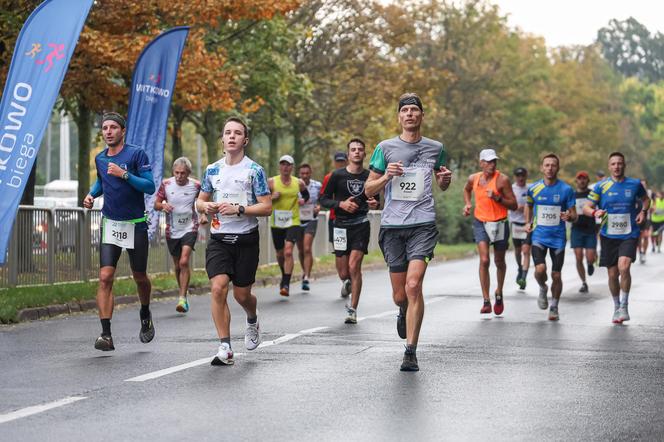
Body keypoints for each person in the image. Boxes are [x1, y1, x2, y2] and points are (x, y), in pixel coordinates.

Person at [365, 92, 452, 371]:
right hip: (392, 226)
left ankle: (411, 351)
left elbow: (443, 182)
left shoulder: (436, 148)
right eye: (405, 111)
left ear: (422, 116)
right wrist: (386, 176)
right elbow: (368, 189)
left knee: (414, 286)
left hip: (422, 225)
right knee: (400, 294)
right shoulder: (385, 148)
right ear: (399, 117)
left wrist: (445, 180)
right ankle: (402, 310)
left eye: (415, 110)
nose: (410, 114)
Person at [196, 117, 272, 365]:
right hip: (219, 240)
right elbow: (200, 200)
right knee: (218, 288)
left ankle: (252, 317)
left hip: (246, 240)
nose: (231, 137)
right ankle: (225, 346)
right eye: (227, 132)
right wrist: (205, 205)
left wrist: (240, 209)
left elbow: (267, 207)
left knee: (242, 296)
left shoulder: (254, 171)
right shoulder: (212, 170)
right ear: (222, 138)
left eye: (237, 133)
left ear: (245, 140)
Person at [82, 112, 156, 351]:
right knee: (105, 277)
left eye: (114, 127)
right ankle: (106, 334)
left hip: (135, 224)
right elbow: (103, 182)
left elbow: (149, 186)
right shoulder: (100, 159)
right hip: (110, 224)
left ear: (122, 131)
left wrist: (124, 174)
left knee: (140, 278)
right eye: (105, 128)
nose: (109, 131)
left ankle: (145, 312)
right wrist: (92, 194)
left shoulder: (136, 154)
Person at [583, 152, 649, 324]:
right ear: (609, 166)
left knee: (624, 267)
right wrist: (595, 212)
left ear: (624, 165)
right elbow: (586, 207)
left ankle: (625, 306)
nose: (617, 166)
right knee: (612, 274)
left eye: (620, 163)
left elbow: (646, 199)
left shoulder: (634, 184)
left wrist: (643, 211)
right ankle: (616, 306)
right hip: (608, 235)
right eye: (613, 164)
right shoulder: (600, 186)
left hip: (629, 233)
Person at [319, 138, 379, 324]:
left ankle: (352, 309)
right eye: (353, 149)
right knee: (343, 272)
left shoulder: (370, 176)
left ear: (364, 153)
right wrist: (341, 204)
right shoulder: (337, 176)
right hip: (340, 226)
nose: (357, 152)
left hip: (360, 224)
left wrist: (375, 203)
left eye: (360, 149)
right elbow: (323, 200)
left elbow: (377, 200)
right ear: (348, 154)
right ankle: (346, 282)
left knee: (354, 266)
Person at [463, 148, 517, 316]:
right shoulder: (474, 178)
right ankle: (486, 300)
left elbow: (514, 205)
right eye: (488, 161)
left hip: (500, 223)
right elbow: (466, 190)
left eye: (494, 161)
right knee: (485, 259)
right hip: (481, 222)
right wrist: (467, 204)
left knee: (499, 261)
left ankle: (499, 292)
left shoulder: (502, 180)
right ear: (481, 163)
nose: (492, 165)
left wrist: (498, 198)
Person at [524, 153, 577, 321]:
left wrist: (569, 216)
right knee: (540, 270)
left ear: (558, 168)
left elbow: (575, 214)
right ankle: (542, 287)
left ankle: (554, 306)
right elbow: (529, 206)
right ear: (542, 168)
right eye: (546, 165)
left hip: (558, 238)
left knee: (556, 275)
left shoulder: (566, 189)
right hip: (539, 236)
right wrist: (527, 222)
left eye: (553, 165)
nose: (549, 168)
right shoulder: (534, 188)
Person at [154, 157, 205, 313]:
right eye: (176, 173)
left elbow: (204, 201)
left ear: (188, 173)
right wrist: (163, 205)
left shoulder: (196, 185)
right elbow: (155, 204)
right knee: (177, 265)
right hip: (172, 229)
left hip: (190, 228)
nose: (179, 176)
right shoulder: (166, 184)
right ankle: (183, 292)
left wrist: (203, 215)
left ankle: (182, 298)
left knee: (184, 262)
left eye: (183, 173)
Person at [268, 155, 310, 297]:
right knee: (280, 254)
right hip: (276, 222)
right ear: (279, 166)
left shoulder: (299, 183)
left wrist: (303, 201)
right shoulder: (272, 182)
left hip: (293, 221)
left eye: (288, 165)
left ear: (292, 167)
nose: (285, 167)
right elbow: (259, 198)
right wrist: (271, 198)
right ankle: (284, 274)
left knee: (288, 252)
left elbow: (306, 196)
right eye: (283, 164)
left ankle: (286, 283)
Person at [320, 152, 350, 297]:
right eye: (338, 162)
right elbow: (324, 198)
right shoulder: (329, 177)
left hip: (354, 221)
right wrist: (338, 205)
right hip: (335, 219)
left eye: (342, 161)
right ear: (334, 162)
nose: (340, 164)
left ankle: (350, 278)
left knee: (352, 252)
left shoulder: (354, 176)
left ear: (347, 161)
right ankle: (344, 279)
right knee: (339, 252)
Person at [570, 171, 598, 293]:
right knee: (578, 257)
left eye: (584, 179)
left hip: (590, 228)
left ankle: (590, 263)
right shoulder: (572, 195)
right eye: (579, 179)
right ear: (576, 181)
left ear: (588, 180)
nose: (582, 181)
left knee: (590, 257)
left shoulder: (592, 194)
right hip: (576, 229)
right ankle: (584, 282)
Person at [296, 163, 322, 291]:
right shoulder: (294, 185)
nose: (305, 175)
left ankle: (306, 277)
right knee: (300, 250)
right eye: (302, 173)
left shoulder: (317, 185)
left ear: (310, 173)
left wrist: (319, 207)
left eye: (307, 173)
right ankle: (304, 270)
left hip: (312, 218)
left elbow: (323, 199)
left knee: (307, 248)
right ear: (299, 174)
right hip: (296, 220)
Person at [509, 167, 531, 290]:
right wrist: (521, 207)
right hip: (515, 223)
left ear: (526, 176)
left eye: (523, 175)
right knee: (518, 251)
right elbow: (511, 205)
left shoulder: (531, 188)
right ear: (515, 177)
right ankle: (519, 267)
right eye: (518, 176)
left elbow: (532, 205)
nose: (521, 178)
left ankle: (523, 276)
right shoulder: (511, 189)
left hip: (528, 223)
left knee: (526, 251)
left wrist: (522, 207)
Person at [637, 179, 652, 264]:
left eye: (644, 184)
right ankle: (640, 253)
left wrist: (653, 207)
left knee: (646, 236)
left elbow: (653, 203)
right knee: (639, 237)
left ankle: (644, 253)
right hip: (638, 218)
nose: (643, 186)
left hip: (647, 217)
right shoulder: (636, 193)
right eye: (641, 184)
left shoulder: (650, 192)